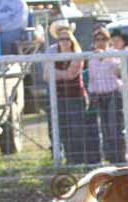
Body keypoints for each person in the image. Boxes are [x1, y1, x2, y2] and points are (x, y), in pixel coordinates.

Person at [43, 27, 93, 165]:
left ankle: (79, 160)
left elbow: (71, 74)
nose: (64, 42)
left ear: (71, 41)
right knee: (63, 129)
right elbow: (46, 76)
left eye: (66, 39)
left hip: (75, 97)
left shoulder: (77, 55)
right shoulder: (52, 54)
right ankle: (68, 160)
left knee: (76, 129)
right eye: (61, 39)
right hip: (58, 97)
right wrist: (58, 73)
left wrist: (54, 72)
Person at [88, 27, 126, 164]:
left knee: (115, 127)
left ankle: (120, 158)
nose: (100, 42)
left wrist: (107, 56)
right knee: (104, 128)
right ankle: (110, 158)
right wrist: (91, 93)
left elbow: (119, 71)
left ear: (108, 40)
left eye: (103, 39)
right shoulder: (91, 57)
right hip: (98, 95)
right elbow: (92, 78)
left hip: (113, 94)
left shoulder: (114, 53)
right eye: (97, 39)